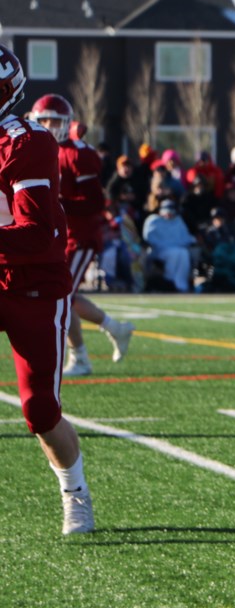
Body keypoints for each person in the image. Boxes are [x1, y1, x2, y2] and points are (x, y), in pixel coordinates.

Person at [0, 43, 95, 533]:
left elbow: (38, 235)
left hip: (32, 283)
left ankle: (75, 492)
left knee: (39, 409)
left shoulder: (27, 142)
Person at [28, 93, 135, 377]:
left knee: (60, 296)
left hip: (80, 236)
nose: (50, 125)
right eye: (45, 120)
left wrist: (57, 202)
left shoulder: (79, 153)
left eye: (56, 120)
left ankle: (81, 357)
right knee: (65, 296)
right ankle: (115, 329)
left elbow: (95, 202)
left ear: (67, 122)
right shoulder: (37, 148)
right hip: (56, 237)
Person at [143, 198, 196, 292]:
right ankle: (169, 281)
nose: (169, 214)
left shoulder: (178, 221)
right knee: (175, 253)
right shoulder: (153, 220)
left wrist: (192, 240)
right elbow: (149, 238)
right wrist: (168, 245)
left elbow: (186, 238)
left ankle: (181, 285)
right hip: (158, 251)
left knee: (184, 253)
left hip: (176, 249)